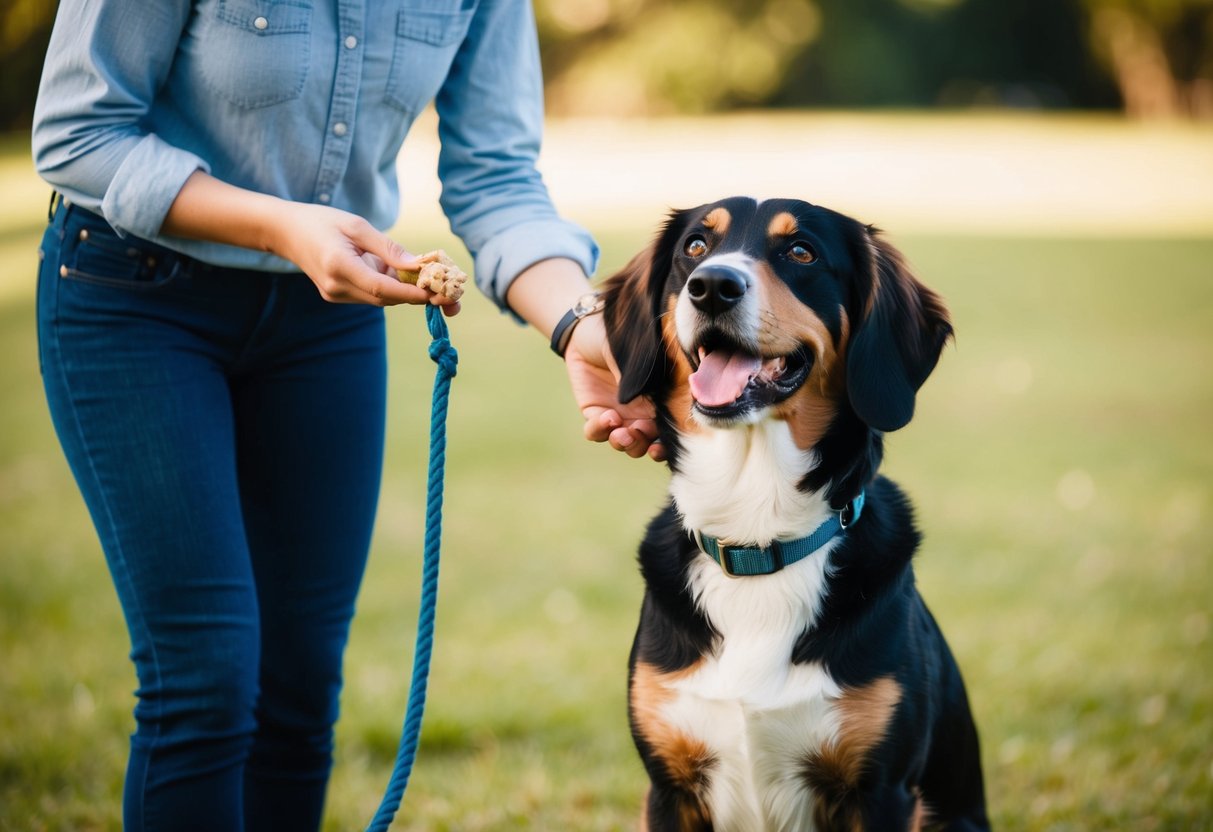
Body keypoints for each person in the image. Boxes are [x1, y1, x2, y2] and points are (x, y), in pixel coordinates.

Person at [31, 1, 660, 829]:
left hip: (323, 323)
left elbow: (497, 177)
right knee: (206, 677)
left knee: (298, 685)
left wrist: (582, 328)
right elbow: (76, 134)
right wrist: (282, 227)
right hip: (136, 300)